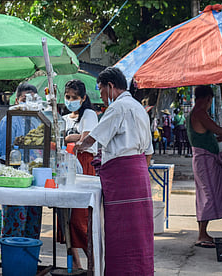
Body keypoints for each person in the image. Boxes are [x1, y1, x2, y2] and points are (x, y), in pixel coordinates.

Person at [75, 67, 154, 275]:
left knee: (120, 233)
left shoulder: (118, 108)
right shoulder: (139, 108)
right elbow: (148, 153)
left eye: (101, 90)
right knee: (140, 233)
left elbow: (93, 137)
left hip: (123, 176)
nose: (101, 96)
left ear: (110, 87)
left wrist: (79, 146)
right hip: (138, 174)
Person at [186, 85, 222, 248]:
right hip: (205, 160)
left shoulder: (195, 114)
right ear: (207, 99)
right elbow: (218, 130)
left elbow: (209, 136)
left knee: (205, 195)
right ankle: (202, 235)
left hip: (204, 158)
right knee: (208, 195)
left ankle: (203, 233)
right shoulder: (199, 113)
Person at [62, 79, 98, 269]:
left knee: (80, 219)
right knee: (64, 219)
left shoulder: (90, 114)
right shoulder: (66, 117)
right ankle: (76, 264)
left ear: (83, 98)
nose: (70, 100)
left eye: (74, 97)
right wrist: (73, 138)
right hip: (68, 165)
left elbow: (87, 138)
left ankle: (94, 263)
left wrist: (69, 137)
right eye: (68, 97)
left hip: (85, 165)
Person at [0, 83, 42, 239]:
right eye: (24, 99)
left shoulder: (39, 119)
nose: (28, 103)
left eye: (32, 99)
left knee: (33, 219)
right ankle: (12, 256)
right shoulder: (9, 120)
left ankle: (30, 258)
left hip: (35, 176)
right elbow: (4, 152)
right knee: (15, 219)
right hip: (15, 178)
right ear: (17, 100)